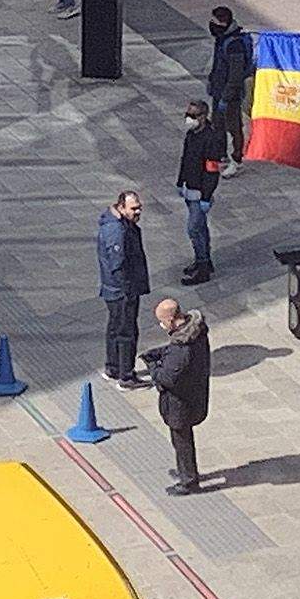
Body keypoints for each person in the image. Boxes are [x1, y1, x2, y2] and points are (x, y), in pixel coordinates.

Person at [142, 298, 211, 497]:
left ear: (172, 320)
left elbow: (166, 378)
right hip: (195, 392)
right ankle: (186, 472)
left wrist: (152, 365)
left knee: (181, 440)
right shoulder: (196, 332)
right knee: (183, 439)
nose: (161, 325)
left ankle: (188, 480)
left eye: (162, 321)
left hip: (180, 402)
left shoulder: (181, 349)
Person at [96, 191, 150, 390]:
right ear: (121, 207)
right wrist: (127, 290)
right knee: (126, 331)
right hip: (121, 291)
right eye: (133, 208)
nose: (138, 212)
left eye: (139, 207)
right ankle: (126, 376)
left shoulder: (119, 225)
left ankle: (113, 367)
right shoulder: (116, 231)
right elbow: (117, 264)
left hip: (116, 289)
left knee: (115, 328)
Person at [177, 99, 226, 286]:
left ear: (203, 117)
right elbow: (185, 159)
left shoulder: (211, 139)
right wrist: (180, 181)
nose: (189, 119)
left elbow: (212, 171)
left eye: (193, 115)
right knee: (200, 228)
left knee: (194, 228)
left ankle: (203, 267)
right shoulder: (191, 135)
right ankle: (202, 260)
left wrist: (206, 196)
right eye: (187, 115)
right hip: (189, 186)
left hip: (200, 192)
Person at [206, 6, 252, 178]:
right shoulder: (222, 38)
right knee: (218, 125)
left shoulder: (235, 45)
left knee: (234, 127)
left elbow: (235, 75)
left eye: (216, 22)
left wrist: (226, 96)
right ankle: (221, 155)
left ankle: (237, 159)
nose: (212, 26)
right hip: (219, 91)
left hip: (230, 95)